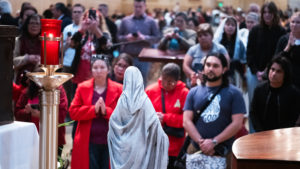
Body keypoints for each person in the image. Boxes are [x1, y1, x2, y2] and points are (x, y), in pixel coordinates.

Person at [183, 52, 246, 169]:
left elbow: (237, 124)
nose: (211, 69)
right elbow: (186, 121)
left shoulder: (234, 93)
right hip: (196, 149)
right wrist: (202, 143)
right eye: (208, 65)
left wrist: (214, 142)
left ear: (224, 69)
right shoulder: (193, 92)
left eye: (215, 66)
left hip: (223, 151)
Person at [108, 66, 169, 169]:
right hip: (141, 150)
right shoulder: (144, 101)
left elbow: (113, 122)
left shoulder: (123, 101)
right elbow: (155, 125)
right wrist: (163, 138)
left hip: (122, 152)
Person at [69, 54, 123, 169]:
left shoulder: (119, 89)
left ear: (108, 70)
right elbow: (73, 112)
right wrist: (93, 110)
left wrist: (106, 112)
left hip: (111, 142)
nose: (99, 71)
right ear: (91, 70)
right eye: (95, 67)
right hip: (87, 141)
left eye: (102, 67)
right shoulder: (82, 87)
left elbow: (125, 116)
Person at [246, 2, 286, 133]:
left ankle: (270, 133)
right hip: (254, 73)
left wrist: (267, 72)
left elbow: (279, 54)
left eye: (270, 12)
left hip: (274, 73)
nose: (267, 15)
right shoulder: (255, 31)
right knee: (254, 105)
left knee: (271, 104)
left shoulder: (281, 32)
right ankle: (253, 133)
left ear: (275, 14)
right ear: (262, 14)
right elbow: (249, 52)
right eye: (265, 12)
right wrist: (256, 71)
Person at [145, 63, 189, 169]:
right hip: (153, 145)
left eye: (170, 81)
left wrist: (165, 117)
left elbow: (186, 120)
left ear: (178, 79)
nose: (165, 83)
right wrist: (152, 118)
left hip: (174, 148)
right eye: (163, 79)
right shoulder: (150, 91)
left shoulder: (184, 93)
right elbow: (141, 115)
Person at [15, 80, 68, 157]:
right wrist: (27, 112)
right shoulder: (27, 92)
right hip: (31, 140)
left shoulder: (58, 90)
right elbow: (17, 113)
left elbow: (61, 115)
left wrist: (41, 115)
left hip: (53, 139)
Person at [250, 56, 300, 132]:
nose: (273, 74)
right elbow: (253, 113)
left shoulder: (293, 93)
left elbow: (293, 117)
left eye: (278, 71)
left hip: (285, 134)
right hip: (262, 134)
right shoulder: (259, 90)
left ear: (285, 74)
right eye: (272, 69)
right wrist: (260, 131)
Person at [117, 0, 160, 84]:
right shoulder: (125, 21)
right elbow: (118, 37)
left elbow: (157, 38)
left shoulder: (151, 22)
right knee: (126, 82)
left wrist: (144, 38)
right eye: (136, 6)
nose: (138, 9)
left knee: (141, 83)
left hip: (144, 59)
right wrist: (127, 37)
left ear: (145, 7)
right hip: (128, 57)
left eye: (140, 7)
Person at [214, 16, 247, 88]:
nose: (230, 27)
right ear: (223, 26)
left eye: (233, 25)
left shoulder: (240, 43)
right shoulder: (218, 41)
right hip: (219, 71)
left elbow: (243, 60)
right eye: (228, 24)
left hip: (235, 72)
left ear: (236, 28)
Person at [13, 14, 41, 84]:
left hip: (39, 81)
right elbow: (12, 61)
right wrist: (27, 58)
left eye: (37, 23)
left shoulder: (45, 42)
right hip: (20, 80)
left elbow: (49, 64)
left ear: (41, 26)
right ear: (27, 25)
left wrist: (39, 61)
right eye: (31, 23)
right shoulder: (19, 40)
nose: (34, 26)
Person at [275, 12, 300, 89]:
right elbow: (276, 60)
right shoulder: (283, 39)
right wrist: (288, 46)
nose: (294, 25)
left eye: (298, 22)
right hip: (286, 81)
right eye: (292, 22)